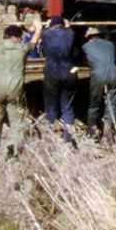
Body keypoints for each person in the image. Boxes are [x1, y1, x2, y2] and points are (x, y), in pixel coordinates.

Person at [0, 18, 42, 157]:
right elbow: (34, 41)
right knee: (17, 120)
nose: (21, 39)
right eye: (20, 37)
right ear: (17, 37)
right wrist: (38, 28)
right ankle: (15, 150)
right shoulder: (22, 48)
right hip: (16, 90)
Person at [42, 15, 77, 143]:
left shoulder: (46, 34)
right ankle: (68, 138)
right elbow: (69, 32)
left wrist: (46, 26)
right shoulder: (70, 34)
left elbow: (44, 37)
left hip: (52, 72)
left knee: (51, 104)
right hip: (68, 72)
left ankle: (52, 136)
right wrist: (68, 26)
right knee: (67, 106)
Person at [83, 27, 116, 142]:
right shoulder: (111, 45)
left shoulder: (86, 47)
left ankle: (92, 132)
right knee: (112, 103)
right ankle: (108, 130)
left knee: (94, 103)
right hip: (114, 75)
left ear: (89, 38)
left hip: (98, 75)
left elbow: (84, 61)